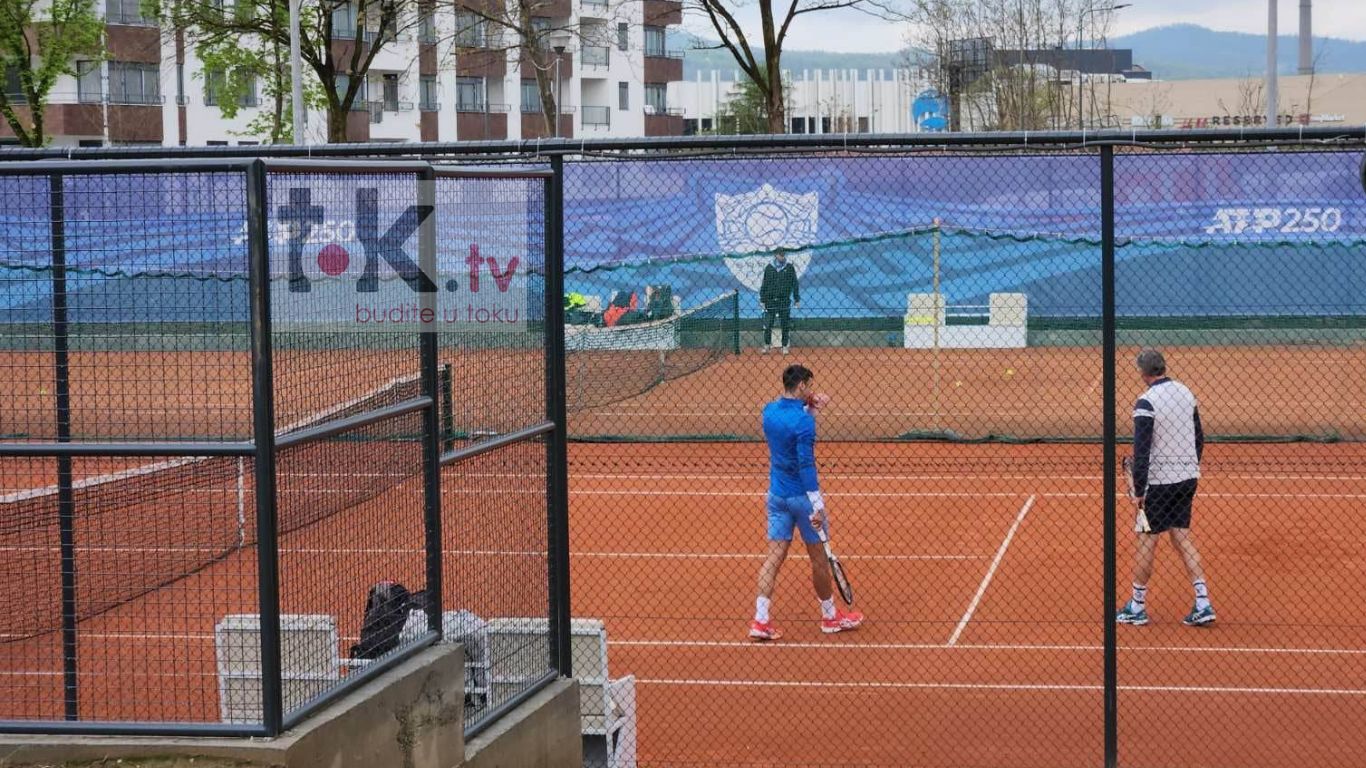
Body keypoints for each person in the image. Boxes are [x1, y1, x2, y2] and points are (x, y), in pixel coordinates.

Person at [749, 364, 863, 640]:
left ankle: (760, 621)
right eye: (809, 386)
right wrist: (818, 505)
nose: (811, 390)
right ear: (801, 386)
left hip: (777, 496)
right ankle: (829, 616)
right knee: (820, 560)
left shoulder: (769, 412)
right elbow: (805, 465)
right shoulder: (803, 422)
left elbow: (789, 432)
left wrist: (811, 407)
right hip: (803, 499)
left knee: (774, 557)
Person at [1116, 348, 1216, 627]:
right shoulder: (1186, 392)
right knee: (1182, 537)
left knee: (1148, 539)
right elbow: (1199, 437)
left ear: (1142, 373)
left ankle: (1136, 606)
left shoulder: (1146, 403)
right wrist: (1190, 466)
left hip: (1159, 484)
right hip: (1187, 478)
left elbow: (1142, 450)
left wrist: (1138, 490)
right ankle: (1203, 602)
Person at [758, 248, 800, 355]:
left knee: (785, 324)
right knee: (768, 325)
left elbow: (795, 284)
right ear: (775, 255)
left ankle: (784, 346)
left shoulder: (789, 268)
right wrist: (762, 300)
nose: (782, 257)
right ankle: (767, 346)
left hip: (784, 300)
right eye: (780, 255)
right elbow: (764, 284)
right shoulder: (769, 268)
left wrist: (796, 299)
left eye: (783, 255)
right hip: (770, 301)